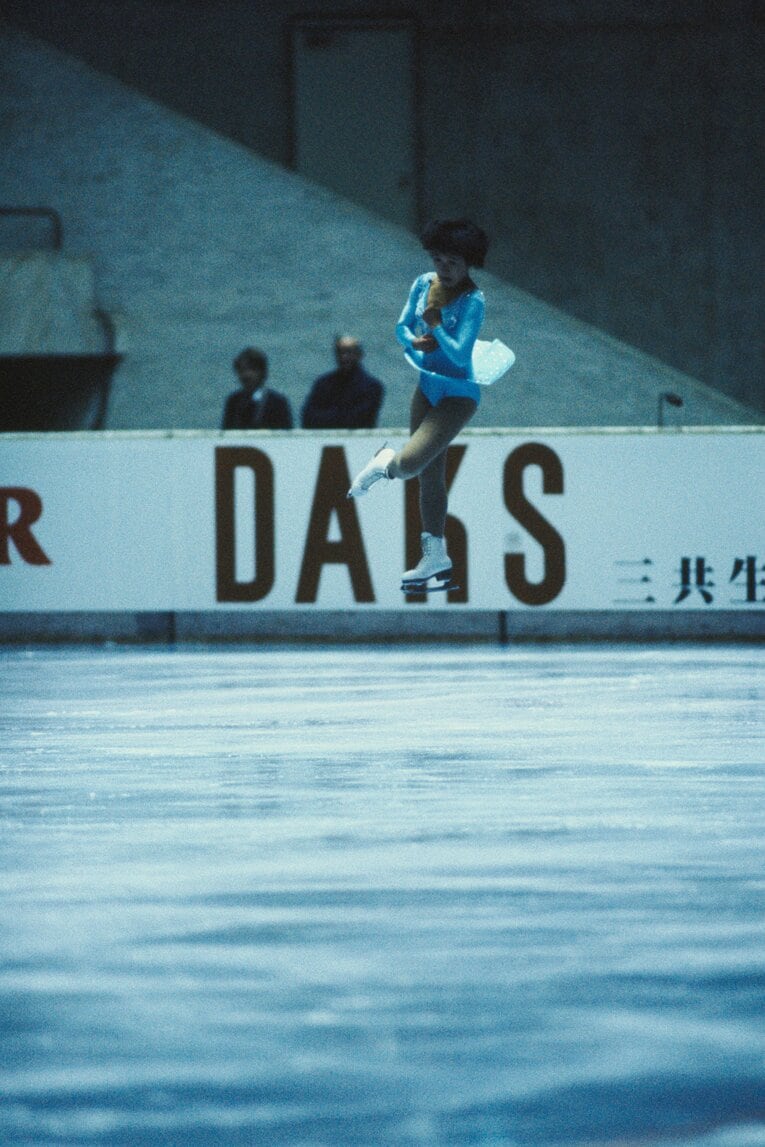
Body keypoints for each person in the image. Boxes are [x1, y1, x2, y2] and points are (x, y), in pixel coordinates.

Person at [347, 218, 514, 593]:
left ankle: (383, 461)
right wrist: (413, 342)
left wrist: (436, 328)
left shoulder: (474, 301)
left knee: (407, 464)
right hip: (426, 387)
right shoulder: (423, 283)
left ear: (469, 263)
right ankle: (435, 557)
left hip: (458, 393)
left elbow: (458, 356)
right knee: (430, 478)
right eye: (439, 260)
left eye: (453, 262)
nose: (445, 269)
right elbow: (401, 327)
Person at [301, 336, 384, 429]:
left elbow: (359, 419)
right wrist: (341, 415)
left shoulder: (372, 387)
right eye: (340, 352)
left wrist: (329, 416)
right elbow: (308, 417)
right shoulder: (322, 384)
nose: (344, 357)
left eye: (349, 352)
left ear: (359, 355)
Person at [221, 347, 293, 430]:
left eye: (252, 369)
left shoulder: (277, 402)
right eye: (241, 370)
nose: (246, 375)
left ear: (263, 372)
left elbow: (285, 435)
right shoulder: (233, 401)